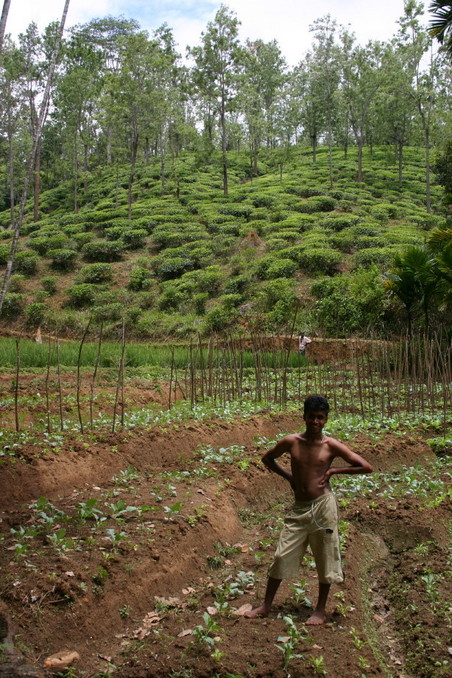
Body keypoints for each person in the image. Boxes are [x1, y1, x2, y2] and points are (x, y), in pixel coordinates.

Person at [245, 395, 373, 625]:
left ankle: (320, 610)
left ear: (326, 420)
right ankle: (265, 606)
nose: (315, 421)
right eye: (311, 417)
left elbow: (365, 466)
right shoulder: (291, 442)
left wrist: (334, 471)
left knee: (325, 556)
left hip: (323, 507)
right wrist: (288, 477)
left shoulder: (330, 445)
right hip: (299, 508)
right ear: (303, 417)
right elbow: (268, 458)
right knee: (281, 555)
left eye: (320, 418)